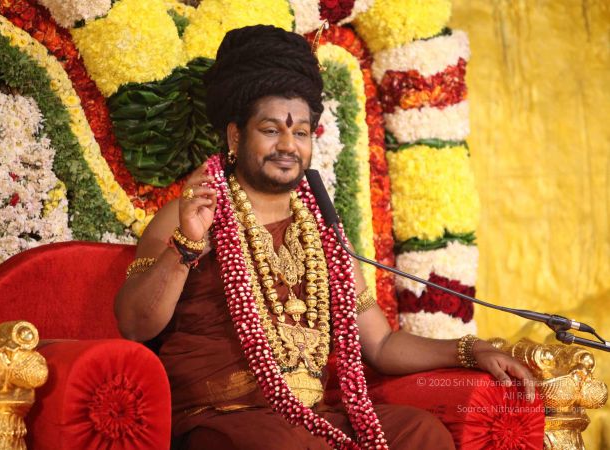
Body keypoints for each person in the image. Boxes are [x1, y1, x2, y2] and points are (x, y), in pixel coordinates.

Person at [114, 25, 535, 450]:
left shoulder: (323, 235)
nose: (288, 145)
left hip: (311, 422)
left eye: (300, 133)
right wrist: (185, 247)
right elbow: (134, 324)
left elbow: (382, 343)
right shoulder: (189, 215)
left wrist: (470, 349)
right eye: (271, 130)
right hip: (223, 419)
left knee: (419, 432)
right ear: (235, 135)